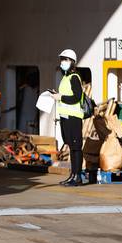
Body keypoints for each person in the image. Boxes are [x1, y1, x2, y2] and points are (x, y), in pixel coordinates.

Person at [51, 49, 84, 186]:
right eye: (62, 59)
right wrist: (57, 95)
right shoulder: (65, 77)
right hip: (65, 116)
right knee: (71, 147)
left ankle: (77, 177)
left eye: (65, 59)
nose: (63, 62)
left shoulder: (74, 77)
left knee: (76, 147)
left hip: (74, 117)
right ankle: (72, 175)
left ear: (72, 62)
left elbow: (76, 97)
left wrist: (61, 97)